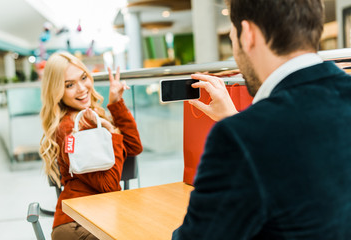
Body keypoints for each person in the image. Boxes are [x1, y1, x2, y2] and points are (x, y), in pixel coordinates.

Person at [173, 0, 351, 239]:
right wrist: (237, 119)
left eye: (231, 36)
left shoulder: (240, 139)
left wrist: (241, 129)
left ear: (247, 34)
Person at [39, 52, 143, 240]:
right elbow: (109, 185)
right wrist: (111, 132)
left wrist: (116, 103)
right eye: (69, 85)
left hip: (100, 214)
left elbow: (134, 146)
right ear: (57, 92)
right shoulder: (69, 130)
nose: (81, 89)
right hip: (77, 224)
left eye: (83, 78)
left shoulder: (90, 118)